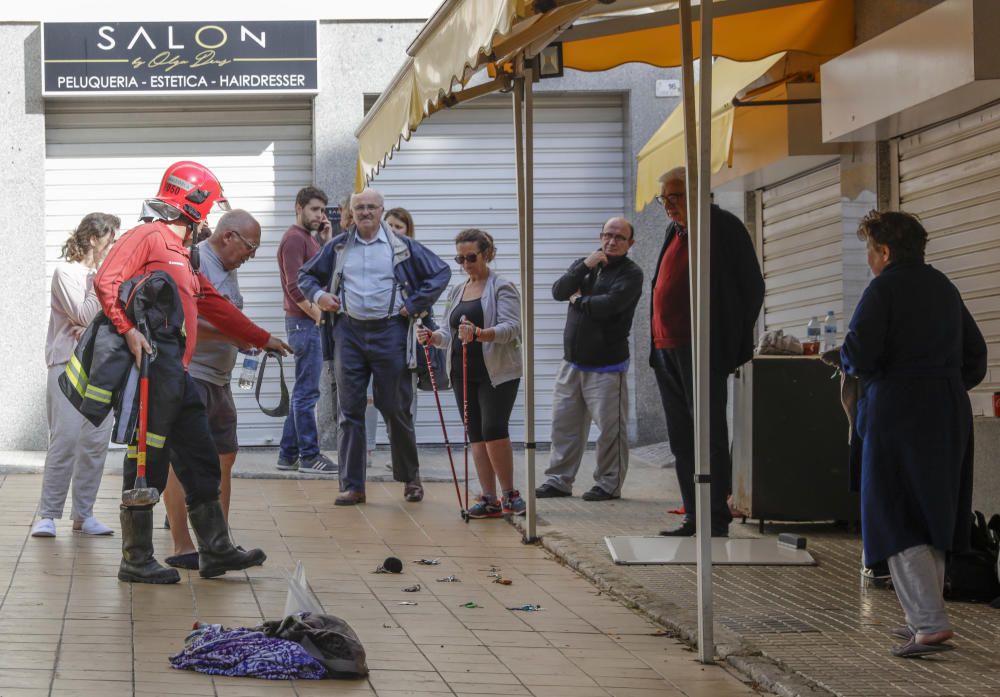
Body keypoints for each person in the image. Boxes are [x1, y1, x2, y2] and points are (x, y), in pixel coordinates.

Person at [94, 160, 291, 584]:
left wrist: (260, 337)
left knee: (202, 459)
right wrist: (127, 331)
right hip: (153, 368)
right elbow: (106, 281)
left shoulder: (180, 249)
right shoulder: (148, 235)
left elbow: (211, 303)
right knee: (146, 462)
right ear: (195, 199)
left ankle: (215, 550)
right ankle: (136, 558)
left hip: (177, 372)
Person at [839, 210, 986, 658]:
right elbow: (975, 357)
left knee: (894, 512)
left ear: (883, 251)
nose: (869, 260)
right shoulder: (944, 287)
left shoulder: (883, 289)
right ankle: (922, 617)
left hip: (896, 410)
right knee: (933, 512)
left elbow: (861, 354)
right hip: (946, 408)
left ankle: (929, 623)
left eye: (869, 250)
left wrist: (841, 360)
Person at [298, 188, 450, 505]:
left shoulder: (402, 247)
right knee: (349, 411)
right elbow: (305, 276)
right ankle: (353, 485)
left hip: (391, 331)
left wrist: (415, 303)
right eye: (359, 208)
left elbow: (440, 272)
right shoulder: (339, 246)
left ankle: (410, 478)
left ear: (381, 211)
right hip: (348, 334)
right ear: (351, 214)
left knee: (396, 408)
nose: (365, 212)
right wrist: (319, 297)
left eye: (371, 207)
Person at [651, 167, 764, 538]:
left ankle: (715, 515)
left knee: (707, 432)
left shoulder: (723, 228)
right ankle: (693, 514)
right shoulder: (675, 230)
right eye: (663, 198)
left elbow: (751, 287)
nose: (668, 205)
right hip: (667, 349)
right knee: (681, 436)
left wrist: (727, 341)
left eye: (675, 196)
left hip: (702, 348)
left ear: (699, 193)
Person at [161, 209, 262, 570]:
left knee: (224, 457)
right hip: (192, 374)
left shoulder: (229, 269)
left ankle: (219, 543)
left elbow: (227, 315)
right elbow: (187, 322)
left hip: (220, 378)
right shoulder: (194, 261)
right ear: (228, 236)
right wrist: (241, 335)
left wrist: (245, 340)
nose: (252, 255)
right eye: (250, 246)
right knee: (181, 462)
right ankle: (182, 544)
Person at [417, 229, 525, 518]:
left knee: (493, 429)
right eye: (459, 258)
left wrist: (480, 333)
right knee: (475, 433)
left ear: (487, 253)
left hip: (497, 372)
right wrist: (432, 337)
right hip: (463, 371)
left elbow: (513, 328)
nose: (465, 264)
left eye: (471, 257)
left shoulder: (502, 287)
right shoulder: (457, 290)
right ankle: (488, 498)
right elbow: (449, 333)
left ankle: (509, 494)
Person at [536, 217, 643, 502]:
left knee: (610, 430)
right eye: (608, 235)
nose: (612, 241)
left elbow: (610, 306)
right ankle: (559, 480)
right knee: (563, 425)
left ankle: (608, 484)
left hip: (607, 366)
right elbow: (559, 291)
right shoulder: (586, 265)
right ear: (600, 236)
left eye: (619, 237)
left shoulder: (631, 274)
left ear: (630, 243)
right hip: (571, 362)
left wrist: (578, 301)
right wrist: (585, 266)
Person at [31, 213, 120, 538]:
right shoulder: (67, 272)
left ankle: (84, 514)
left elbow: (107, 319)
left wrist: (95, 317)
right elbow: (84, 314)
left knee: (95, 442)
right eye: (111, 237)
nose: (114, 244)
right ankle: (48, 515)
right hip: (67, 363)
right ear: (95, 238)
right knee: (65, 439)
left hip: (103, 365)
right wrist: (103, 285)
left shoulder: (107, 277)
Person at [276, 186, 337, 475]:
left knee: (303, 389)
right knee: (307, 393)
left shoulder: (308, 239)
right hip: (304, 323)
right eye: (314, 209)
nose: (320, 215)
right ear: (298, 207)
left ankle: (287, 455)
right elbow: (294, 285)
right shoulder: (293, 239)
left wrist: (325, 242)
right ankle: (310, 456)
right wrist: (317, 317)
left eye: (323, 210)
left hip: (307, 321)